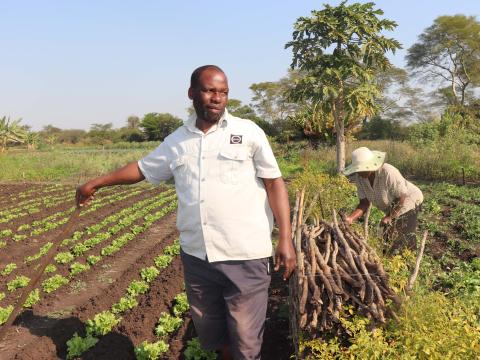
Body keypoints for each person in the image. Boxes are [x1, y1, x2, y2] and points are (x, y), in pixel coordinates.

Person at [76, 65, 296, 360]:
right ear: (192, 93)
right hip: (198, 258)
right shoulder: (177, 141)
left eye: (223, 92)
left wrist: (286, 238)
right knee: (216, 335)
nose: (217, 98)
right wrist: (96, 183)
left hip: (245, 256)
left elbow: (274, 184)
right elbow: (141, 170)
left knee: (246, 342)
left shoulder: (248, 132)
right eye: (209, 90)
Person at [343, 147, 423, 253]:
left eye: (363, 169)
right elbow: (364, 203)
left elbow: (401, 197)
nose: (361, 172)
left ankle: (408, 259)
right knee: (387, 234)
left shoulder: (387, 171)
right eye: (358, 170)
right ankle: (391, 256)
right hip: (393, 204)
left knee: (402, 234)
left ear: (371, 164)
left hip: (409, 200)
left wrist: (390, 217)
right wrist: (351, 218)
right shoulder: (359, 178)